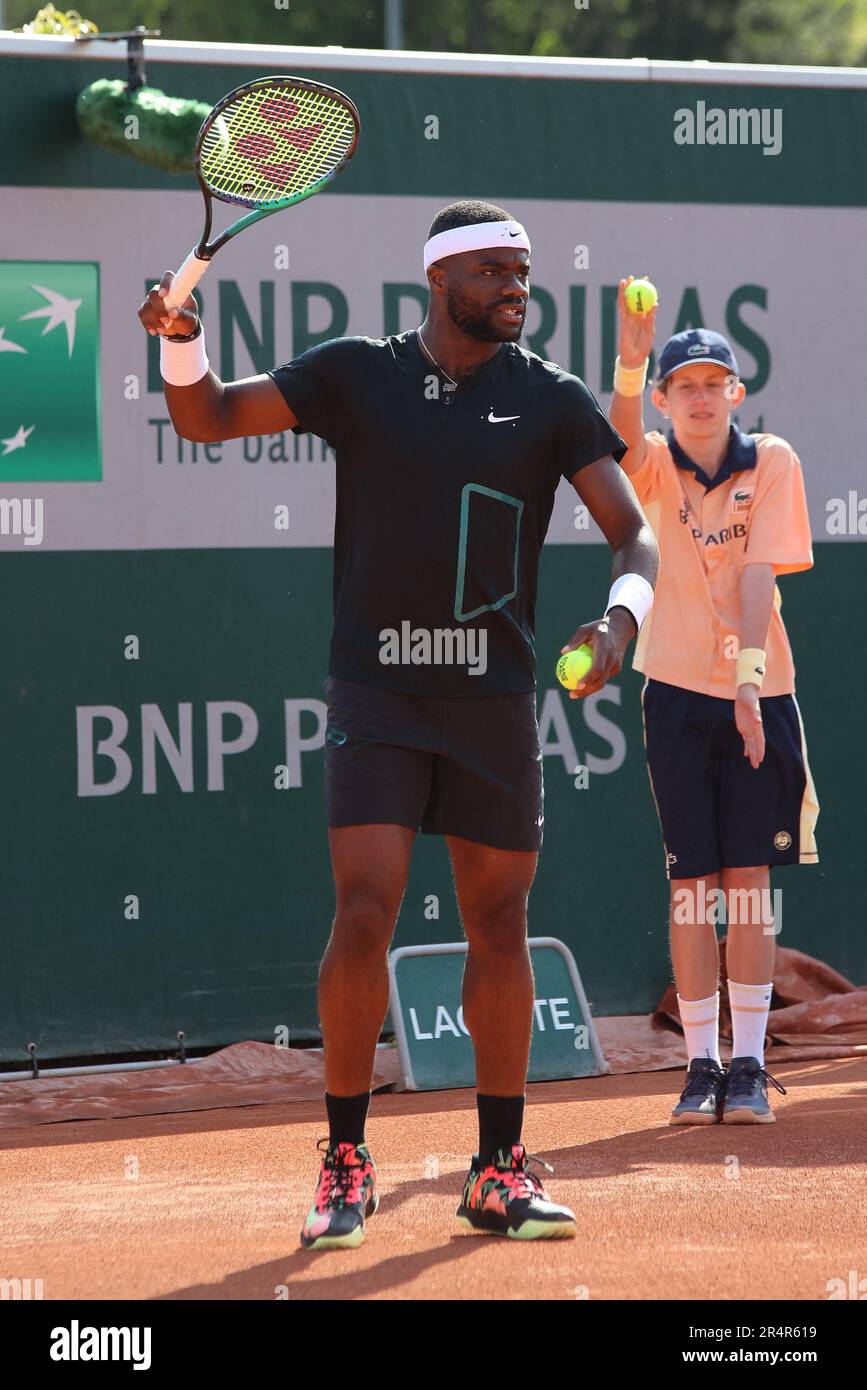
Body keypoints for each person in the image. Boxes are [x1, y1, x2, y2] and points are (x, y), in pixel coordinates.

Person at [138, 202, 658, 1247]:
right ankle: (344, 1158)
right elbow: (208, 420)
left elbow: (633, 536)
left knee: (498, 924)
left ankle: (498, 1169)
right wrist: (185, 345)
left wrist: (617, 625)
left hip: (495, 698)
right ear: (441, 276)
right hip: (376, 690)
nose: (518, 282)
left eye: (525, 268)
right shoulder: (355, 374)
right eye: (496, 268)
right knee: (366, 906)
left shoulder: (551, 399)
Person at [608, 279, 818, 1125]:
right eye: (680, 385)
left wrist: (746, 683)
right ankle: (699, 1065)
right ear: (664, 399)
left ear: (737, 393)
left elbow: (761, 576)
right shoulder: (653, 463)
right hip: (674, 696)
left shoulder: (772, 461)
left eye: (713, 384)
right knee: (692, 887)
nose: (698, 398)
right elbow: (616, 443)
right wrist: (627, 361)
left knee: (749, 885)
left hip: (759, 693)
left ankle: (749, 1066)